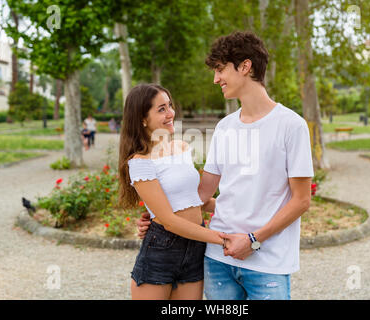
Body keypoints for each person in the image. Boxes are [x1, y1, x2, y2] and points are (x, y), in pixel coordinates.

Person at [137, 31, 314, 300]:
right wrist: (159, 216)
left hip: (268, 264)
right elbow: (202, 194)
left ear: (245, 66)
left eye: (220, 69)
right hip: (219, 261)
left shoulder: (291, 125)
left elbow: (301, 200)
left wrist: (253, 240)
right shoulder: (224, 127)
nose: (215, 79)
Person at [118, 83, 226, 300]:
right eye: (161, 109)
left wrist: (237, 207)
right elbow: (169, 220)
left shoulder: (182, 148)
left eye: (169, 106)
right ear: (142, 119)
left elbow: (196, 200)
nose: (171, 113)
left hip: (195, 245)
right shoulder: (140, 162)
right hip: (162, 249)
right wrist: (224, 239)